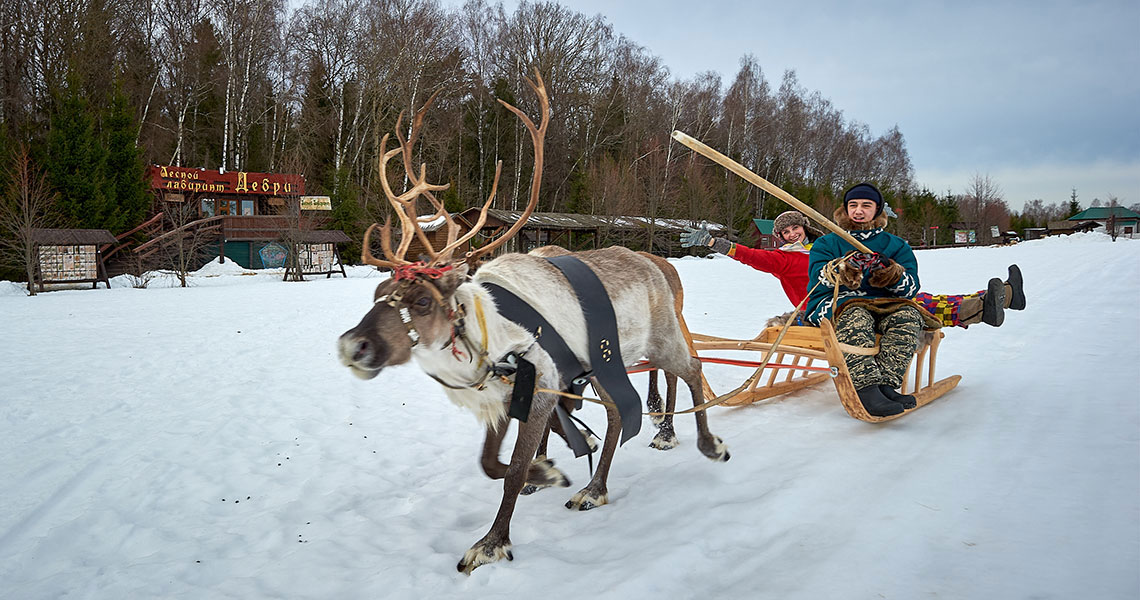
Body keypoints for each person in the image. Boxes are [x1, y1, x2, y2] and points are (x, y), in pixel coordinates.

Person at [681, 210, 1025, 329]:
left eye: (795, 229)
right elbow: (750, 256)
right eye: (784, 233)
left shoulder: (826, 247)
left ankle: (1000, 297)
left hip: (860, 298)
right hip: (826, 310)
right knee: (915, 304)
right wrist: (715, 243)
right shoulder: (784, 258)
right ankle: (982, 306)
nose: (791, 235)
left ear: (804, 227)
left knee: (916, 297)